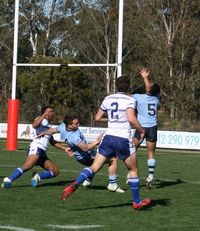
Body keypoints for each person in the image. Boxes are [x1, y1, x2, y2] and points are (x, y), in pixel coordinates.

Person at [60, 76, 151, 209]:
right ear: (128, 87)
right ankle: (137, 202)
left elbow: (97, 117)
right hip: (122, 138)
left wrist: (112, 120)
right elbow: (131, 119)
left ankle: (75, 183)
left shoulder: (108, 99)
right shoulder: (130, 99)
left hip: (108, 138)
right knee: (133, 170)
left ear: (116, 86)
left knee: (94, 168)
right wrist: (142, 130)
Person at [37, 115, 124, 193]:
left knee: (96, 165)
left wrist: (43, 133)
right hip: (86, 156)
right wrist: (97, 141)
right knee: (112, 159)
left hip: (83, 155)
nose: (78, 124)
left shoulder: (63, 127)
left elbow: (52, 130)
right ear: (70, 126)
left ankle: (88, 181)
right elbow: (86, 148)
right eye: (76, 123)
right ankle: (112, 184)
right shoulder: (74, 137)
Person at [2, 106, 67, 188]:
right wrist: (43, 115)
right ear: (47, 113)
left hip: (42, 153)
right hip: (36, 148)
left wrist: (65, 148)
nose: (53, 113)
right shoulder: (41, 120)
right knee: (28, 166)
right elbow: (34, 125)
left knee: (55, 171)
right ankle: (9, 179)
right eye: (51, 111)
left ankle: (37, 176)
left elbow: (52, 142)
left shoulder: (49, 126)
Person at [132, 68, 160, 188]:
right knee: (151, 152)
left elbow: (148, 88)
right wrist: (145, 79)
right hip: (153, 127)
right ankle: (151, 176)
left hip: (141, 128)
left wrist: (145, 77)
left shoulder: (139, 97)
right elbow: (150, 88)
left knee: (132, 150)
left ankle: (131, 173)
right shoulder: (157, 97)